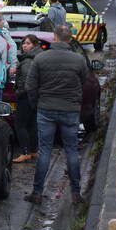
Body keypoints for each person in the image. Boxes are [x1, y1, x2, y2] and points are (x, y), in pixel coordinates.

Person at [24, 25, 89, 205]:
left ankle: (37, 192)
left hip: (46, 109)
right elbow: (84, 80)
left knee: (45, 150)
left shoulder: (41, 58)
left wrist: (36, 104)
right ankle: (75, 192)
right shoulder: (78, 60)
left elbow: (30, 86)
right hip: (70, 109)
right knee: (71, 150)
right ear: (70, 39)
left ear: (54, 38)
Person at [12, 34, 42, 163]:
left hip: (25, 96)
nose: (24, 46)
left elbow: (26, 81)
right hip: (35, 96)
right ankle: (34, 151)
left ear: (34, 45)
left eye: (28, 43)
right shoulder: (37, 57)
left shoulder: (28, 61)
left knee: (20, 124)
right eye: (23, 43)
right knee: (32, 124)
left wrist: (19, 92)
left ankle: (25, 152)